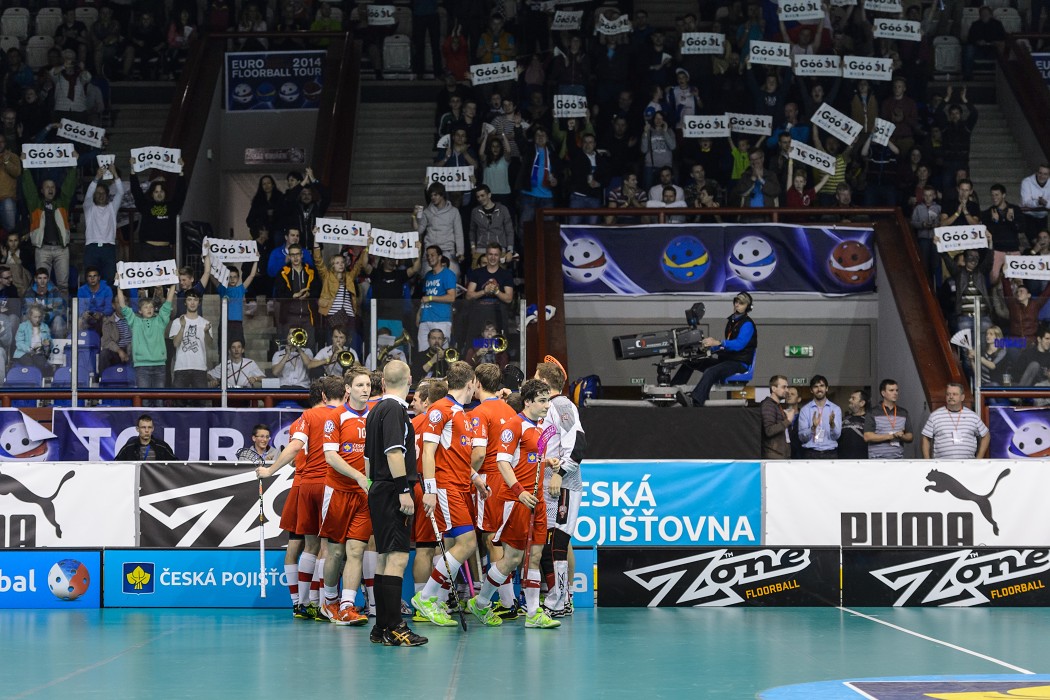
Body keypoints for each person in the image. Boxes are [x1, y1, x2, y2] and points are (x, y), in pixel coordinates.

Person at [464, 378, 561, 629]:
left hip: (537, 500)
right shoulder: (514, 425)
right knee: (512, 559)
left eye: (548, 400)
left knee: (535, 557)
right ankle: (481, 602)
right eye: (541, 401)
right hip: (517, 500)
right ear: (528, 401)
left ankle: (533, 614)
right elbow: (502, 463)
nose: (546, 406)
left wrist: (547, 461)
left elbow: (528, 458)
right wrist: (518, 491)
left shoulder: (539, 428)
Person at [257, 377, 343, 620]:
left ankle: (303, 603)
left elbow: (295, 451)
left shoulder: (302, 419)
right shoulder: (343, 416)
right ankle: (324, 604)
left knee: (307, 546)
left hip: (303, 486)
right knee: (327, 548)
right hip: (330, 485)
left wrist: (270, 470)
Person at [412, 361, 486, 627]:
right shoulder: (440, 410)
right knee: (466, 543)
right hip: (443, 487)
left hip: (460, 485)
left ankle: (432, 597)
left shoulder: (461, 413)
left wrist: (475, 477)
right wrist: (430, 490)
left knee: (464, 543)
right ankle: (427, 597)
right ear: (471, 383)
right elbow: (429, 452)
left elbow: (456, 456)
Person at [364, 360, 428, 646]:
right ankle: (395, 627)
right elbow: (393, 453)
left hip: (379, 488)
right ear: (410, 379)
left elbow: (367, 459)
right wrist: (403, 490)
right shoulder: (394, 410)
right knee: (398, 557)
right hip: (393, 488)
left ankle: (381, 628)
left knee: (384, 557)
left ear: (383, 383)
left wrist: (373, 488)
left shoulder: (375, 409)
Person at [319, 368, 373, 626]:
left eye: (368, 385)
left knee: (357, 549)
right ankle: (329, 600)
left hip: (365, 496)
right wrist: (359, 477)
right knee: (337, 552)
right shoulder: (336, 418)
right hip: (338, 492)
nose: (366, 389)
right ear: (348, 389)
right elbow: (331, 457)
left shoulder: (375, 415)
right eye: (360, 385)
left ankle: (347, 606)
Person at [467, 363, 520, 618]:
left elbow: (478, 453)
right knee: (501, 538)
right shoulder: (510, 409)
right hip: (510, 477)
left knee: (490, 539)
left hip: (489, 479)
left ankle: (507, 602)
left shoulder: (480, 412)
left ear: (477, 382)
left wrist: (469, 474)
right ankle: (509, 601)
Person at [535, 361, 585, 618]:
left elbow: (578, 446)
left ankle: (560, 601)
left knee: (559, 542)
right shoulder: (547, 408)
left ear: (544, 381)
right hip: (548, 485)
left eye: (536, 376)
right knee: (551, 543)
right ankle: (560, 597)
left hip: (562, 484)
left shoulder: (563, 405)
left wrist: (560, 474)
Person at [672, 292, 757, 407]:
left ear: (748, 307)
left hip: (739, 363)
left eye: (741, 303)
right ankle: (673, 392)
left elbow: (739, 344)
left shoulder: (747, 324)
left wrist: (718, 342)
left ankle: (696, 401)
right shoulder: (732, 322)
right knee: (690, 361)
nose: (737, 305)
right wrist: (709, 347)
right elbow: (724, 345)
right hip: (726, 360)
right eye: (736, 302)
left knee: (711, 371)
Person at [21, 164, 78, 296]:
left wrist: (74, 168)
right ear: (41, 190)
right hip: (42, 249)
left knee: (63, 285)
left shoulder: (62, 202)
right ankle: (41, 313)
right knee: (41, 284)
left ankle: (62, 314)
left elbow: (68, 188)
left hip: (61, 249)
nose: (50, 189)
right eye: (47, 187)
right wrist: (25, 168)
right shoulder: (35, 204)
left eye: (52, 187)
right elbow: (29, 189)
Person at [115, 284, 175, 403]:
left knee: (159, 401)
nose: (149, 309)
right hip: (142, 367)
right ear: (139, 310)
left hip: (159, 366)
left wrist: (173, 283)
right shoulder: (135, 322)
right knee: (145, 401)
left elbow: (168, 304)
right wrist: (119, 284)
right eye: (146, 307)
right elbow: (123, 306)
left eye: (151, 307)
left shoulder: (160, 321)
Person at [129, 159, 186, 262]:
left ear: (165, 193)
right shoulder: (146, 205)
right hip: (147, 250)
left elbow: (180, 193)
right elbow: (136, 192)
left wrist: (181, 171)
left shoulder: (172, 207)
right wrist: (133, 170)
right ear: (152, 193)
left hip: (165, 250)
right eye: (156, 192)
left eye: (161, 191)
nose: (159, 194)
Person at [921, 382, 990, 459]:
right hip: (941, 466)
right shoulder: (935, 416)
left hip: (967, 466)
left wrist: (979, 458)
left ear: (962, 397)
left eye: (954, 394)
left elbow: (986, 436)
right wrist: (927, 461)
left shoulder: (973, 416)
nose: (951, 397)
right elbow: (926, 438)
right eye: (948, 394)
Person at [83, 163, 124, 285]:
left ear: (107, 195)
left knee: (110, 279)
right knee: (91, 279)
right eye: (98, 193)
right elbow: (88, 194)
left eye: (103, 193)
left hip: (109, 247)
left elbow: (121, 192)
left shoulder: (112, 207)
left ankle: (108, 303)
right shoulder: (89, 208)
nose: (100, 196)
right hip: (92, 247)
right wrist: (96, 178)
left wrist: (115, 174)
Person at [413, 183, 464, 276]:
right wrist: (414, 217)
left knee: (454, 275)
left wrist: (460, 252)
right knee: (427, 276)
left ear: (442, 195)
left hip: (448, 251)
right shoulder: (427, 212)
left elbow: (458, 233)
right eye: (431, 195)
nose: (433, 197)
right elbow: (419, 231)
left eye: (435, 195)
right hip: (431, 251)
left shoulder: (454, 211)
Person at [464, 243, 513, 338]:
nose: (493, 257)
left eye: (496, 255)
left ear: (500, 256)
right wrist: (484, 291)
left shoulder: (506, 274)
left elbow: (509, 299)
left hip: (498, 314)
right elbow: (468, 296)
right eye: (490, 254)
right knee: (476, 345)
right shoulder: (476, 273)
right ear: (486, 255)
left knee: (499, 347)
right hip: (479, 314)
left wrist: (496, 291)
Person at [168, 289, 212, 392]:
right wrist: (183, 327)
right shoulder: (177, 322)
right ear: (185, 302)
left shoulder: (205, 322)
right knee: (178, 403)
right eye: (189, 300)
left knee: (201, 403)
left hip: (200, 368)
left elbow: (209, 344)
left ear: (199, 302)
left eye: (195, 300)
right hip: (181, 367)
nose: (192, 303)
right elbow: (175, 343)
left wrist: (206, 332)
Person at [417, 246, 457, 351]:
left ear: (440, 257)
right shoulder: (428, 275)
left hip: (441, 319)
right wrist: (419, 313)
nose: (429, 257)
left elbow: (451, 297)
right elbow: (425, 297)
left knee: (442, 354)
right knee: (422, 353)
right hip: (425, 317)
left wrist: (430, 298)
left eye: (432, 255)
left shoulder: (448, 274)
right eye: (427, 255)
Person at [863, 379, 914, 459]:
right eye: (891, 390)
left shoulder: (903, 412)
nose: (895, 393)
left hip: (897, 459)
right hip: (877, 460)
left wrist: (901, 436)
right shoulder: (872, 412)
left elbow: (910, 436)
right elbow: (867, 436)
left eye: (897, 390)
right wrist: (891, 436)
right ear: (883, 393)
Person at [468, 185, 515, 267]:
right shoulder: (475, 211)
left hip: (499, 250)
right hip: (481, 249)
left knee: (499, 278)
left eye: (482, 195)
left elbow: (509, 231)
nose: (480, 199)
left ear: (489, 195)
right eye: (478, 197)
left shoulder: (502, 209)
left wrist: (510, 251)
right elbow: (472, 230)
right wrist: (473, 246)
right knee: (476, 276)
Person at [797, 375, 842, 458]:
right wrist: (813, 427)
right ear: (811, 390)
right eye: (815, 387)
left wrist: (832, 425)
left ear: (827, 388)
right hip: (810, 453)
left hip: (830, 453)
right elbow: (801, 437)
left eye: (822, 386)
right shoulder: (805, 410)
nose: (819, 389)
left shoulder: (835, 409)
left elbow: (837, 436)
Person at [24, 268, 68, 339]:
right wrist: (39, 316)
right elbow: (27, 310)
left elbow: (59, 310)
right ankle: (27, 345)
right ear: (35, 279)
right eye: (39, 278)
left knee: (58, 319)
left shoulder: (55, 291)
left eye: (45, 278)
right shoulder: (30, 292)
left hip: (51, 320)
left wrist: (47, 315)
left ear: (48, 279)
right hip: (35, 320)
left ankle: (58, 348)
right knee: (25, 319)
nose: (42, 281)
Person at [760, 375, 796, 460]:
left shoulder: (776, 405)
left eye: (787, 387)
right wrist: (788, 421)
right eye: (784, 387)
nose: (787, 390)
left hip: (780, 455)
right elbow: (769, 430)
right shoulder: (768, 405)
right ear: (774, 389)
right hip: (774, 457)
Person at [12, 304, 51, 376]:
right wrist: (29, 350)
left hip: (39, 352)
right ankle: (30, 382)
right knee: (28, 363)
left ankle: (38, 381)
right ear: (30, 317)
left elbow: (50, 341)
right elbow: (19, 343)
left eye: (39, 317)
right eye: (35, 317)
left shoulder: (45, 327)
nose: (37, 319)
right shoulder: (23, 326)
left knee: (41, 363)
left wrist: (48, 343)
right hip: (24, 352)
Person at [76, 267, 113, 333]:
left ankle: (106, 342)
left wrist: (101, 314)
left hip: (101, 316)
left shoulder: (107, 289)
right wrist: (83, 314)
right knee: (79, 321)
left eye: (94, 276)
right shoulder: (82, 290)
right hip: (87, 317)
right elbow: (80, 307)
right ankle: (80, 342)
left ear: (99, 277)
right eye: (89, 276)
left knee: (107, 320)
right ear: (87, 279)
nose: (92, 278)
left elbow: (109, 308)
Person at [838, 389, 869, 460]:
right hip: (843, 462)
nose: (849, 400)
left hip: (862, 462)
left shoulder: (869, 420)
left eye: (853, 398)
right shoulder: (844, 420)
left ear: (862, 403)